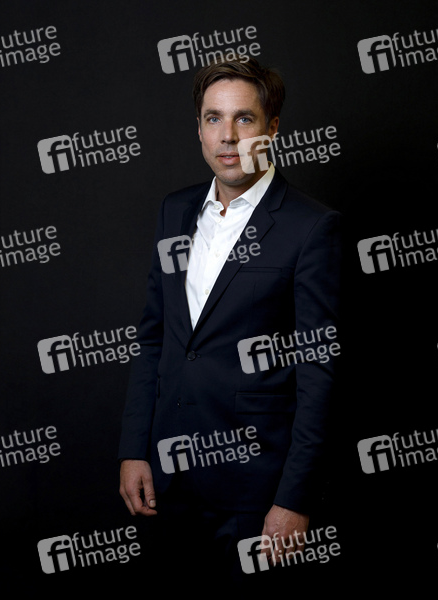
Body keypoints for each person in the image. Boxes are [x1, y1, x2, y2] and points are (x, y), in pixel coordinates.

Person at [118, 56, 342, 581]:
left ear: (272, 128)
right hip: (169, 480)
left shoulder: (312, 227)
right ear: (198, 128)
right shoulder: (174, 211)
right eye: (213, 118)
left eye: (244, 118)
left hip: (256, 491)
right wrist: (134, 450)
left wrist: (295, 498)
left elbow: (320, 374)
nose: (228, 136)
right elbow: (154, 339)